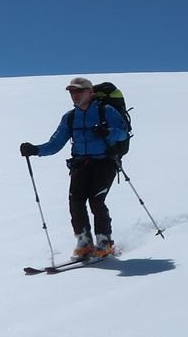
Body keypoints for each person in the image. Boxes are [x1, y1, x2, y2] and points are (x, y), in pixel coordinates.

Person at [20, 77, 129, 259]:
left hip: (105, 164)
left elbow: (123, 132)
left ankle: (104, 242)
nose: (74, 95)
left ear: (90, 92)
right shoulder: (70, 117)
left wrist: (107, 132)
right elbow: (55, 144)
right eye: (72, 92)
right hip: (80, 165)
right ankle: (84, 243)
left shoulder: (106, 111)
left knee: (96, 201)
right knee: (76, 203)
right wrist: (35, 150)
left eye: (79, 91)